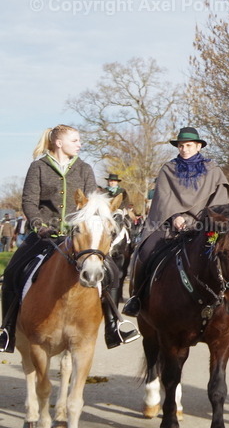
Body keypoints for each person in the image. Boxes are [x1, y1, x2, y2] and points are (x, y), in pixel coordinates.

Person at [1, 125, 139, 353]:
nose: (79, 144)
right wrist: (39, 225)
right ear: (58, 143)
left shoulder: (84, 168)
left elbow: (92, 202)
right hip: (45, 234)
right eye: (75, 140)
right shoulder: (38, 167)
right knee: (14, 270)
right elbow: (29, 202)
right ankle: (6, 330)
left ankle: (114, 328)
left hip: (79, 237)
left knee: (112, 272)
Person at [122, 127, 229, 317]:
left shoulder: (213, 170)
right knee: (146, 251)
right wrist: (175, 216)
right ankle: (137, 298)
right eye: (181, 145)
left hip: (203, 224)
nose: (184, 149)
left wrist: (206, 221)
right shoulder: (168, 169)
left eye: (188, 145)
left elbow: (220, 200)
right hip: (170, 223)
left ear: (198, 146)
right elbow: (163, 197)